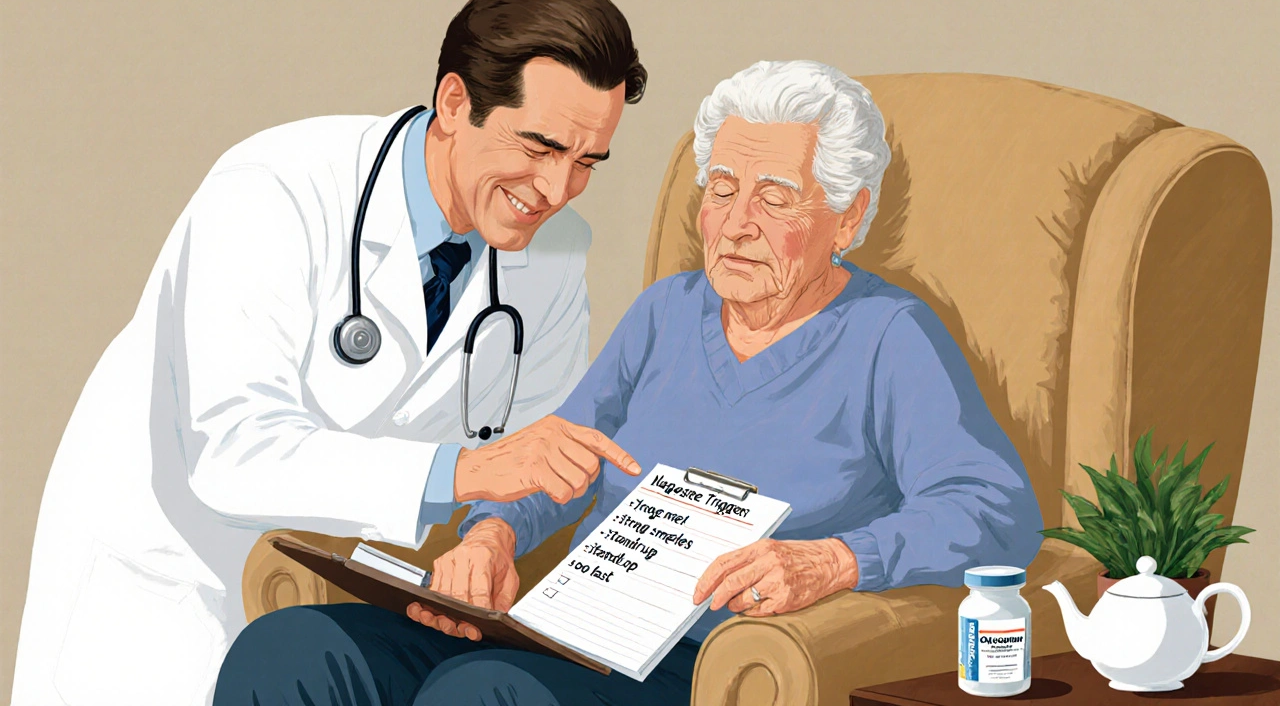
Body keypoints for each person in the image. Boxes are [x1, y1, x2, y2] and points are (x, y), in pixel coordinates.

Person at [215, 60, 1045, 706]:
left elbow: (993, 508)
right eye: (720, 189)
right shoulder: (668, 312)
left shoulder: (887, 338)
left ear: (850, 217)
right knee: (291, 650)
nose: (737, 223)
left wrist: (834, 560)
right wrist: (491, 537)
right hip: (565, 632)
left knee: (481, 695)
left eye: (776, 196)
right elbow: (563, 459)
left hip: (698, 665)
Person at [10, 0, 650, 705]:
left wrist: (487, 544)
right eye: (540, 146)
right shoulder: (273, 190)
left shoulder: (558, 252)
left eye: (589, 160)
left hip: (340, 604)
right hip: (171, 578)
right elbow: (232, 454)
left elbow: (529, 455)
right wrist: (460, 472)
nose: (560, 187)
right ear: (453, 102)